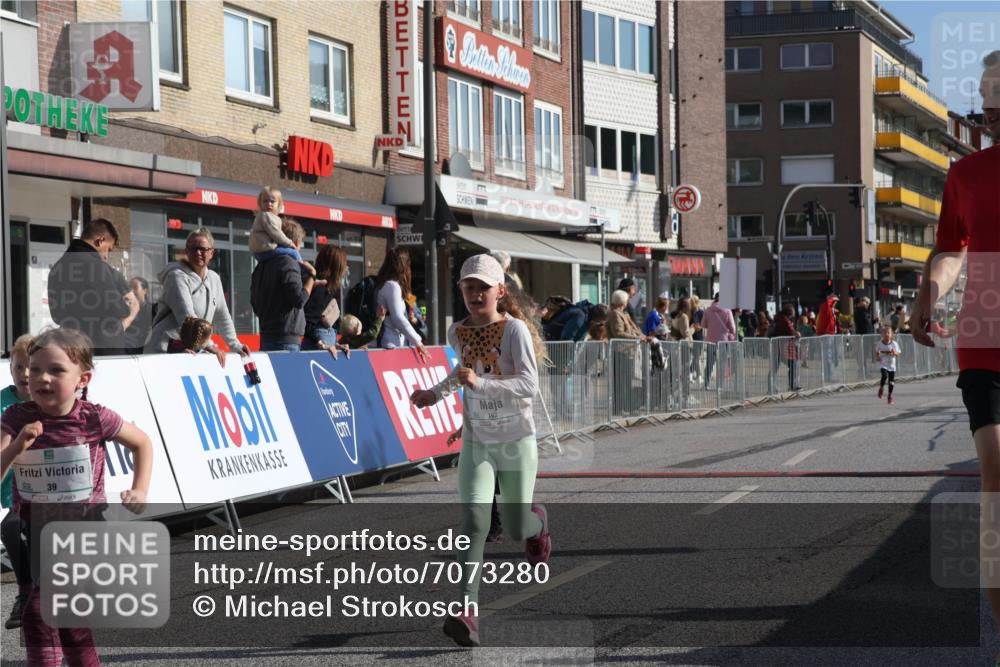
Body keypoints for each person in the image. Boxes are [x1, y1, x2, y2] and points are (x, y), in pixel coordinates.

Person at [409, 254, 550, 648]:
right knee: (474, 525)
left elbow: (528, 386)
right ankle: (467, 612)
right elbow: (462, 374)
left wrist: (481, 386)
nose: (475, 293)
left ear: (500, 291)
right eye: (468, 286)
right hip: (477, 442)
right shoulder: (458, 332)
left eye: (483, 287)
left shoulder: (515, 330)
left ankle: (538, 525)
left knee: (518, 528)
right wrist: (434, 395)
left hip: (516, 440)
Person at [911, 55, 1000, 655]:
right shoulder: (966, 175)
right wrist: (929, 291)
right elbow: (949, 249)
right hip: (986, 338)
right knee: (996, 474)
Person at [0, 327, 152, 667]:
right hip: (36, 531)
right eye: (34, 369)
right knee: (70, 625)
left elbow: (141, 442)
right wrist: (16, 447)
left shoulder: (95, 417)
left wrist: (140, 488)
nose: (41, 378)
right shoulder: (16, 418)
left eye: (56, 370)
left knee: (38, 613)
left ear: (82, 378)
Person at [145, 228, 250, 365]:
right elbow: (187, 318)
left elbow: (222, 317)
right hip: (165, 351)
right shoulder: (176, 276)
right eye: (193, 248)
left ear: (212, 252)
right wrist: (210, 346)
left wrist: (236, 346)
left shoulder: (214, 279)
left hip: (192, 350)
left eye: (203, 249)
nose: (198, 253)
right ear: (187, 251)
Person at [47, 218, 140, 356]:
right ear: (100, 240)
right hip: (102, 347)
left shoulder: (57, 267)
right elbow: (117, 308)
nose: (107, 256)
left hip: (70, 347)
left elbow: (56, 316)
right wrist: (124, 316)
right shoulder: (97, 267)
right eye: (109, 249)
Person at [1, 334, 33, 629]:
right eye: (17, 366)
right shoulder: (4, 405)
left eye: (30, 366)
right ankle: (25, 592)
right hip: (15, 493)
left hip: (51, 493)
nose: (24, 373)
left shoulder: (50, 399)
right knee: (10, 527)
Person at [251, 219, 319, 352]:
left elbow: (255, 304)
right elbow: (299, 299)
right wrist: (312, 276)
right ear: (296, 242)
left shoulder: (261, 265)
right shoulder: (288, 262)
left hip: (266, 336)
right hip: (286, 341)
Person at [375, 247, 429, 360]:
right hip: (390, 344)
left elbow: (414, 310)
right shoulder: (392, 286)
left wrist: (416, 320)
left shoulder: (390, 286)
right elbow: (398, 318)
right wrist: (418, 341)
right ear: (404, 265)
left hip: (394, 342)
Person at [302, 244, 351, 358]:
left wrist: (336, 344)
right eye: (344, 265)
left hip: (324, 348)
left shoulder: (328, 289)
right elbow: (307, 323)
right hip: (317, 352)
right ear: (336, 267)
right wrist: (322, 344)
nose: (345, 269)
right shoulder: (321, 289)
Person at [249, 186, 303, 265]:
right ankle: (303, 272)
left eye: (272, 201)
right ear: (260, 204)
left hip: (263, 250)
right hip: (265, 250)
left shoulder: (271, 217)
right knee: (294, 253)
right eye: (265, 201)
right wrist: (289, 243)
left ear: (279, 204)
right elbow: (276, 233)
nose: (269, 204)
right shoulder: (266, 215)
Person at [702, 293, 737, 386]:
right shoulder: (727, 311)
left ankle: (706, 383)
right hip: (723, 340)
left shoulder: (708, 310)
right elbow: (733, 328)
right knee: (721, 363)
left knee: (709, 363)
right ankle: (720, 385)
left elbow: (703, 324)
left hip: (710, 340)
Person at [773, 302, 801, 391]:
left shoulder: (778, 318)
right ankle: (792, 385)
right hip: (785, 346)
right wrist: (797, 334)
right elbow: (791, 331)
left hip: (777, 345)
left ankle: (772, 387)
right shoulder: (785, 320)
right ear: (790, 312)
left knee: (775, 367)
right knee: (793, 364)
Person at [123, 277, 153, 354]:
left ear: (145, 290)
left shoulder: (152, 310)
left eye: (135, 287)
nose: (132, 290)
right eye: (129, 287)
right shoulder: (124, 309)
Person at [875, 325, 900, 405]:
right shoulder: (879, 344)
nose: (886, 334)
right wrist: (878, 357)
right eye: (885, 333)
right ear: (882, 334)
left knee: (891, 382)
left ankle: (889, 396)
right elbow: (877, 354)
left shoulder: (894, 344)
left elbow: (898, 353)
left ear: (891, 334)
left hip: (892, 365)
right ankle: (881, 388)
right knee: (884, 376)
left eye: (888, 333)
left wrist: (894, 352)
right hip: (883, 364)